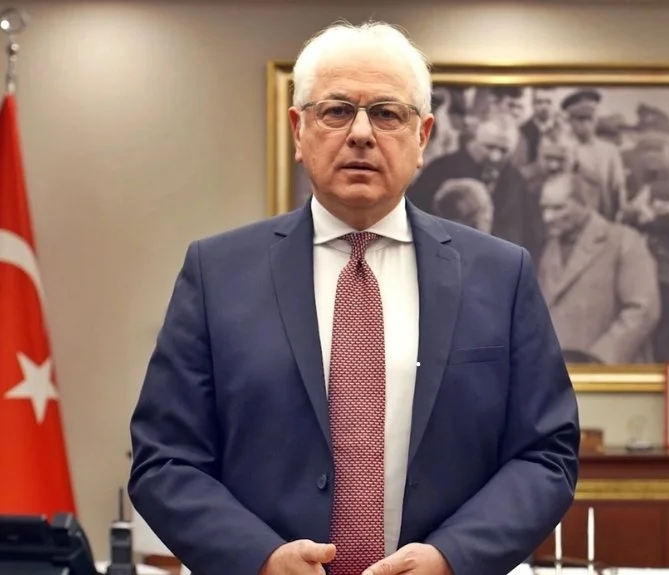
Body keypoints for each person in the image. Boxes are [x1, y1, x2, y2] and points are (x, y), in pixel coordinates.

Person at [128, 20, 580, 575]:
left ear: (423, 137)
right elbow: (164, 460)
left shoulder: (500, 275)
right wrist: (259, 559)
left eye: (387, 114)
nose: (362, 133)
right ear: (298, 130)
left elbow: (545, 455)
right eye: (337, 111)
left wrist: (452, 558)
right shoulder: (217, 273)